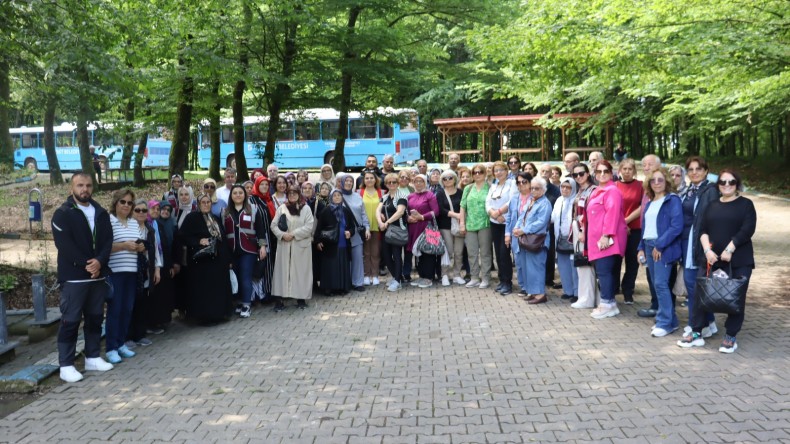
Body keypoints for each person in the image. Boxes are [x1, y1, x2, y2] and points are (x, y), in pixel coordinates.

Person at [678, 169, 755, 353]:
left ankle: (730, 336)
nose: (726, 185)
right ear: (718, 184)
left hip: (739, 259)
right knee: (699, 294)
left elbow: (747, 229)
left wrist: (730, 248)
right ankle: (696, 332)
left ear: (737, 184)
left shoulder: (745, 204)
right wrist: (707, 250)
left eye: (731, 182)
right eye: (722, 182)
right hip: (711, 259)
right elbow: (702, 229)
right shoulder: (711, 205)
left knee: (736, 297)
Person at [51, 172, 114, 382]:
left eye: (88, 185)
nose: (84, 189)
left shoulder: (101, 212)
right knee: (70, 321)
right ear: (72, 188)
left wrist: (100, 262)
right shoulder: (63, 213)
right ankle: (66, 365)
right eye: (80, 185)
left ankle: (93, 357)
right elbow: (64, 245)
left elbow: (108, 241)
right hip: (75, 278)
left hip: (97, 277)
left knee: (95, 318)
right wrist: (88, 264)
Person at [637, 167, 683, 337]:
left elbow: (676, 227)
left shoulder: (672, 200)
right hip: (649, 246)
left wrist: (660, 245)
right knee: (656, 284)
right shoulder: (649, 203)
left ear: (667, 182)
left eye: (660, 180)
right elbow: (645, 228)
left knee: (661, 284)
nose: (656, 183)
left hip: (663, 247)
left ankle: (665, 322)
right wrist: (640, 248)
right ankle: (672, 320)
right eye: (653, 180)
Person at [679, 156, 720, 337]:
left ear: (706, 171)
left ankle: (697, 325)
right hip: (687, 242)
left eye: (698, 169)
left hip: (701, 242)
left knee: (697, 285)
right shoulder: (689, 190)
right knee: (692, 284)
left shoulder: (710, 190)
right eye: (691, 169)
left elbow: (711, 219)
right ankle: (708, 322)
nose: (694, 172)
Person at [179, 193, 233, 324]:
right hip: (201, 262)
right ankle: (204, 317)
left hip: (218, 261)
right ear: (198, 204)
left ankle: (219, 314)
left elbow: (223, 239)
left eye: (208, 202)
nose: (206, 204)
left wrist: (228, 259)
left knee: (217, 289)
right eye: (203, 202)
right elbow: (182, 236)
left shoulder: (215, 218)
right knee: (204, 290)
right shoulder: (192, 218)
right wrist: (198, 241)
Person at [586, 160, 628, 319]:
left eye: (605, 171)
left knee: (604, 271)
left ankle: (606, 303)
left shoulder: (612, 191)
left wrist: (606, 235)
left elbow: (612, 213)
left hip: (607, 238)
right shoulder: (598, 190)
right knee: (603, 271)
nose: (602, 174)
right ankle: (610, 304)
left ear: (611, 173)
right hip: (597, 238)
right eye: (598, 172)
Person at [106, 189, 143, 364]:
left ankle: (121, 343)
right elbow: (104, 247)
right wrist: (123, 246)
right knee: (115, 310)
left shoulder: (134, 223)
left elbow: (138, 243)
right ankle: (111, 347)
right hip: (116, 272)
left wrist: (141, 247)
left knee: (127, 309)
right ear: (116, 203)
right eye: (123, 202)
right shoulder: (109, 221)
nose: (126, 205)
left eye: (129, 203)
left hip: (132, 271)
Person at [506, 176, 552, 304]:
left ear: (543, 190)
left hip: (537, 241)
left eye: (536, 188)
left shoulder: (545, 203)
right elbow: (521, 216)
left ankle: (540, 294)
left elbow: (541, 222)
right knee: (528, 268)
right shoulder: (532, 200)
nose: (533, 191)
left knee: (537, 267)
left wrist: (523, 230)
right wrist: (516, 227)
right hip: (526, 240)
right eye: (532, 188)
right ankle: (533, 292)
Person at [224, 184, 267, 318]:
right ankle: (238, 302)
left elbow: (260, 230)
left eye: (240, 193)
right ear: (231, 196)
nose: (238, 195)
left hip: (249, 250)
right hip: (231, 250)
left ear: (245, 195)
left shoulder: (253, 209)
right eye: (235, 193)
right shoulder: (224, 211)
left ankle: (247, 304)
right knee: (235, 277)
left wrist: (263, 246)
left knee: (245, 277)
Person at [271, 185, 315, 311]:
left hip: (300, 245)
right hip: (285, 244)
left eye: (294, 193)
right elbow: (273, 225)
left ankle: (301, 298)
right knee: (282, 272)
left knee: (301, 272)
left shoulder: (305, 208)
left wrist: (294, 234)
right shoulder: (282, 208)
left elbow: (309, 226)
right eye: (290, 193)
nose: (292, 195)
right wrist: (283, 235)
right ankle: (279, 300)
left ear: (299, 194)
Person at [126, 199, 160, 349]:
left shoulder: (149, 229)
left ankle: (140, 334)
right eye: (137, 210)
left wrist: (157, 268)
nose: (141, 213)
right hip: (132, 270)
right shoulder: (128, 228)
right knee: (130, 304)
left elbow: (155, 250)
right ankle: (128, 336)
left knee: (142, 304)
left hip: (146, 270)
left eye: (144, 211)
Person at [316, 188, 356, 295]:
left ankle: (342, 288)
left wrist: (350, 232)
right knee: (330, 266)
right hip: (330, 244)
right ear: (331, 198)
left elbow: (352, 227)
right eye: (335, 195)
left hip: (343, 243)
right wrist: (318, 241)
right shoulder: (326, 210)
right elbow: (319, 227)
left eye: (339, 195)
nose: (337, 197)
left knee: (342, 265)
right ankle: (329, 289)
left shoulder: (346, 211)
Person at [614, 158, 643, 304]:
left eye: (630, 169)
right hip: (618, 229)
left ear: (634, 171)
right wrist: (622, 224)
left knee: (632, 262)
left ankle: (628, 291)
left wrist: (626, 221)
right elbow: (613, 207)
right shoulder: (614, 186)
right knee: (616, 261)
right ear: (620, 170)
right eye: (624, 169)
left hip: (635, 229)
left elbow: (642, 206)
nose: (626, 171)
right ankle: (613, 289)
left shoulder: (641, 186)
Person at [570, 164, 599, 308]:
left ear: (588, 174)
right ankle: (586, 297)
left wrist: (584, 231)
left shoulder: (593, 190)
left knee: (585, 265)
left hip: (585, 230)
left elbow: (592, 213)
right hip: (578, 229)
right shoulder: (580, 190)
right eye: (575, 175)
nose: (579, 177)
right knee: (582, 265)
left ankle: (587, 299)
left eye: (581, 173)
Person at [486, 161, 516, 295]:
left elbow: (512, 201)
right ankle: (501, 280)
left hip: (506, 222)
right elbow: (487, 202)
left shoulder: (512, 184)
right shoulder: (493, 186)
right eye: (496, 170)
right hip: (495, 222)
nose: (498, 173)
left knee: (505, 253)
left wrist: (498, 212)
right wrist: (493, 213)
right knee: (498, 253)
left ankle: (508, 282)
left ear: (507, 171)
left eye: (501, 170)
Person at [460, 164, 492, 288]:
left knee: (485, 252)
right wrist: (462, 224)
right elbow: (463, 206)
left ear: (485, 174)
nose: (477, 174)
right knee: (472, 252)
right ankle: (474, 277)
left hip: (485, 224)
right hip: (470, 224)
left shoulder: (490, 187)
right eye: (475, 172)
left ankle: (486, 278)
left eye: (480, 172)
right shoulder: (468, 188)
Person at [337, 173, 370, 291]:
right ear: (341, 182)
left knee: (357, 258)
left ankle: (358, 282)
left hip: (356, 232)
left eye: (351, 181)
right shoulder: (337, 195)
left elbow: (363, 214)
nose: (349, 183)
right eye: (346, 181)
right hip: (342, 233)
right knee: (345, 258)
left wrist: (367, 228)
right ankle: (346, 281)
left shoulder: (357, 197)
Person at [407, 174, 441, 288]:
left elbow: (435, 212)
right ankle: (421, 276)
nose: (418, 183)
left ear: (425, 182)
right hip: (413, 227)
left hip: (426, 227)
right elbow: (406, 211)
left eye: (421, 181)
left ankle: (429, 277)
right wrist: (408, 218)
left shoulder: (430, 195)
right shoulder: (410, 196)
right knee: (417, 252)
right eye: (416, 181)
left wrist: (422, 217)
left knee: (428, 252)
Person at [148, 200, 177, 333]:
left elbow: (165, 245)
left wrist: (170, 264)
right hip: (151, 264)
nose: (158, 211)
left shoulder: (158, 224)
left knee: (163, 293)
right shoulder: (148, 224)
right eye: (153, 208)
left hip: (163, 263)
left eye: (158, 209)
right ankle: (153, 322)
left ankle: (161, 320)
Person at [435, 170, 465, 286]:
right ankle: (445, 275)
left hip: (459, 225)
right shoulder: (440, 193)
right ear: (442, 181)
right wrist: (456, 215)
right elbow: (440, 210)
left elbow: (464, 207)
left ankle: (457, 274)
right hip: (445, 226)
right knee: (447, 251)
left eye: (450, 178)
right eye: (445, 178)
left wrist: (461, 219)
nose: (447, 180)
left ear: (455, 179)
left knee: (459, 252)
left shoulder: (460, 192)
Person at [249, 175, 276, 303]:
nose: (264, 187)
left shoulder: (269, 200)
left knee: (270, 265)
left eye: (266, 185)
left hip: (271, 237)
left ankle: (270, 291)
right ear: (257, 186)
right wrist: (261, 243)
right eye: (261, 185)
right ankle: (260, 294)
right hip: (259, 238)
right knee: (261, 265)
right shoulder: (252, 201)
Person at [551, 177, 578, 301]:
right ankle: (568, 291)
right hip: (560, 238)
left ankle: (577, 293)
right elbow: (553, 218)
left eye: (568, 187)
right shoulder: (558, 200)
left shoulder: (577, 200)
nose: (565, 189)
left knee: (574, 267)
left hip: (573, 238)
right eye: (563, 187)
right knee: (563, 266)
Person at [540, 163, 561, 288]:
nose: (545, 173)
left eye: (547, 171)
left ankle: (548, 278)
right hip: (536, 225)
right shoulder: (534, 186)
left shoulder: (555, 190)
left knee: (549, 252)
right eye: (542, 171)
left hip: (550, 225)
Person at [360, 171, 383, 285]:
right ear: (364, 180)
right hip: (365, 227)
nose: (369, 180)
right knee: (366, 253)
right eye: (367, 178)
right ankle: (366, 275)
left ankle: (375, 275)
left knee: (375, 252)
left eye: (371, 178)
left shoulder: (380, 192)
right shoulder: (360, 192)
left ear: (375, 180)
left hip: (377, 227)